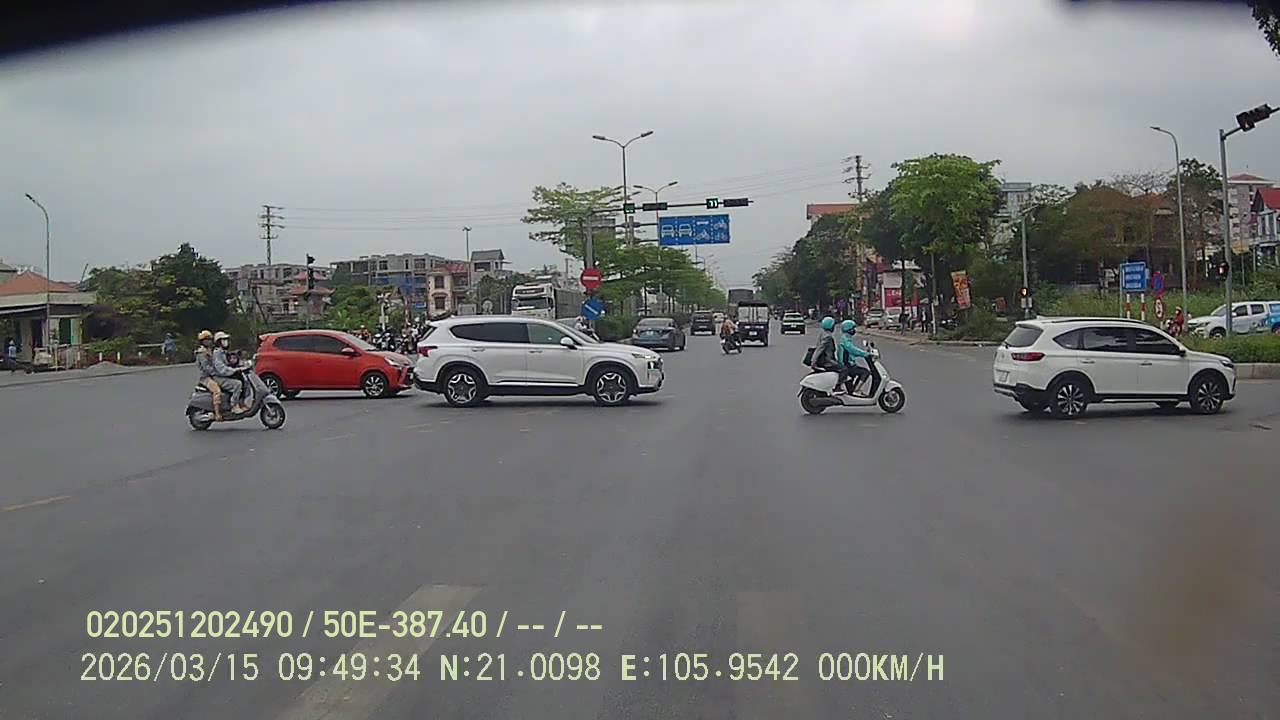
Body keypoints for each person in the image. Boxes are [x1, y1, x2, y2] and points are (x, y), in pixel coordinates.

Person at [211, 331, 247, 414]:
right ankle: (234, 406)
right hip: (219, 377)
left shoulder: (224, 352)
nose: (226, 342)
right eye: (223, 340)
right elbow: (221, 369)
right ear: (218, 342)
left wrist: (243, 365)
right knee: (237, 384)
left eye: (226, 339)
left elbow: (233, 361)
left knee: (243, 381)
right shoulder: (217, 353)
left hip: (224, 376)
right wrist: (234, 370)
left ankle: (241, 403)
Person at [835, 319, 873, 396]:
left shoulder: (845, 338)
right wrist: (865, 354)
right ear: (849, 329)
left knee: (859, 371)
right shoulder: (845, 340)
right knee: (865, 372)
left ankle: (853, 390)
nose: (854, 330)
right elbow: (852, 350)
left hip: (847, 364)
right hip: (846, 365)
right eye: (853, 328)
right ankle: (856, 390)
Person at [194, 331, 226, 420]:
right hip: (206, 377)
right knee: (217, 390)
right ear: (202, 341)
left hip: (213, 375)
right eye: (206, 340)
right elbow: (206, 367)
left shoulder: (210, 350)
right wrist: (217, 372)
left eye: (209, 339)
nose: (209, 341)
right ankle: (217, 413)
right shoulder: (201, 352)